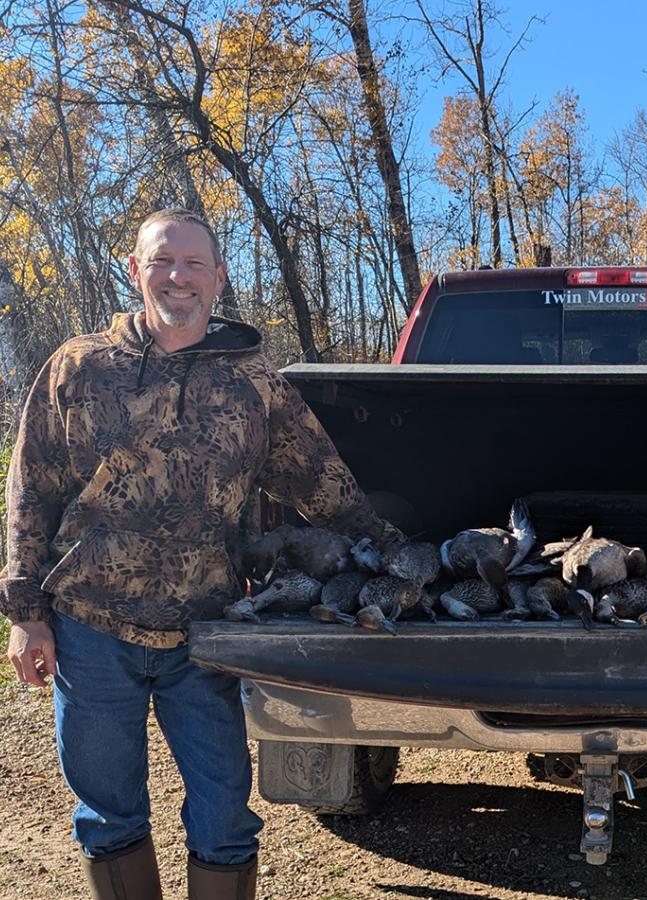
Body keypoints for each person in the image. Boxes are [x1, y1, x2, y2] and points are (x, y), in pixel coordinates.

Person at [2, 208, 399, 900]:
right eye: (161, 261)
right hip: (91, 628)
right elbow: (31, 488)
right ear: (134, 270)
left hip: (207, 635)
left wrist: (393, 553)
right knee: (108, 817)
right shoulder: (80, 367)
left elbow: (319, 478)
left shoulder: (251, 379)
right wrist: (25, 613)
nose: (177, 277)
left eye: (193, 264)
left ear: (218, 280)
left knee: (225, 820)